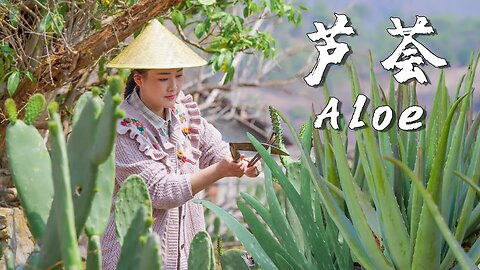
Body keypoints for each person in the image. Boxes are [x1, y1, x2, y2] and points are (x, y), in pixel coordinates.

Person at [99, 19, 262, 270]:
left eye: (179, 76)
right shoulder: (123, 127)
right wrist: (220, 171)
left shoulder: (183, 111)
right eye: (164, 78)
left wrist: (243, 164)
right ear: (139, 79)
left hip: (185, 253)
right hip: (134, 259)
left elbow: (213, 148)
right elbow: (160, 192)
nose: (173, 86)